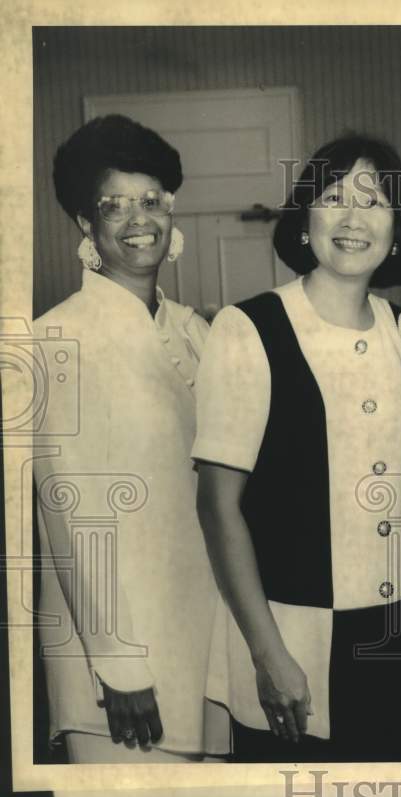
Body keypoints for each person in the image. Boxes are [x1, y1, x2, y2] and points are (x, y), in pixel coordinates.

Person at [193, 135, 401, 762]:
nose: (353, 219)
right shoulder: (248, 328)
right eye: (334, 198)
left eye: (374, 201)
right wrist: (268, 654)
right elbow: (219, 508)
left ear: (398, 227)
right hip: (293, 640)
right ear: (305, 221)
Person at [33, 114, 229, 762]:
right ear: (86, 225)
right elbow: (69, 512)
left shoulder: (193, 331)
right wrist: (117, 665)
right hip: (121, 672)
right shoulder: (59, 338)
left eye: (152, 201)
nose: (138, 219)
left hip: (202, 644)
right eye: (114, 206)